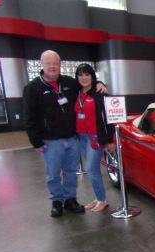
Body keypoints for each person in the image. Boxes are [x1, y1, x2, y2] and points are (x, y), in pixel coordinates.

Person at [24, 50, 107, 217]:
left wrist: (101, 84)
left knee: (71, 171)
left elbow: (87, 82)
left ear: (60, 65)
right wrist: (36, 141)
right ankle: (56, 201)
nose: (52, 67)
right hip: (50, 140)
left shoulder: (69, 82)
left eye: (55, 63)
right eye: (48, 63)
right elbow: (29, 116)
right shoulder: (33, 88)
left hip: (73, 138)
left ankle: (70, 199)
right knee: (53, 173)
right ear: (42, 65)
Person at [75, 63, 116, 212]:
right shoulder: (77, 92)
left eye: (87, 74)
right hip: (81, 136)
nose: (84, 77)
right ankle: (99, 197)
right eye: (81, 74)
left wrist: (111, 139)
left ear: (92, 76)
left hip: (96, 137)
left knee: (90, 169)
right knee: (94, 169)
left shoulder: (100, 92)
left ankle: (102, 199)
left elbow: (109, 117)